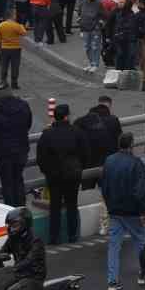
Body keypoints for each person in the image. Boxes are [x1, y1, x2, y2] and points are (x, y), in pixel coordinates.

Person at [103, 131, 145, 290]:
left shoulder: (109, 161)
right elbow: (140, 192)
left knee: (114, 246)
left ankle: (112, 281)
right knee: (141, 242)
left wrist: (110, 206)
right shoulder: (136, 163)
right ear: (132, 145)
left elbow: (105, 188)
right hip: (132, 212)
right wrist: (143, 212)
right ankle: (143, 274)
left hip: (115, 211)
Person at [37, 104, 89, 244]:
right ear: (67, 116)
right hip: (72, 174)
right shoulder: (76, 132)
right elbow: (85, 153)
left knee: (55, 206)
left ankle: (54, 237)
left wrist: (47, 171)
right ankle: (72, 236)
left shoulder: (47, 134)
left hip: (54, 176)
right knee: (72, 205)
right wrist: (79, 167)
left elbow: (40, 157)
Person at [0, 86, 33, 207]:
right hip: (21, 149)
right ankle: (22, 206)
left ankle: (10, 209)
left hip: (4, 152)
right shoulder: (23, 105)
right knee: (18, 178)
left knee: (7, 183)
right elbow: (28, 123)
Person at [0, 8, 27, 90]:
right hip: (16, 49)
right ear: (13, 15)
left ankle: (3, 81)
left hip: (4, 48)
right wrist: (21, 25)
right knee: (15, 66)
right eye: (15, 14)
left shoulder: (1, 25)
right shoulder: (16, 26)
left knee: (4, 66)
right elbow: (24, 33)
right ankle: (14, 83)